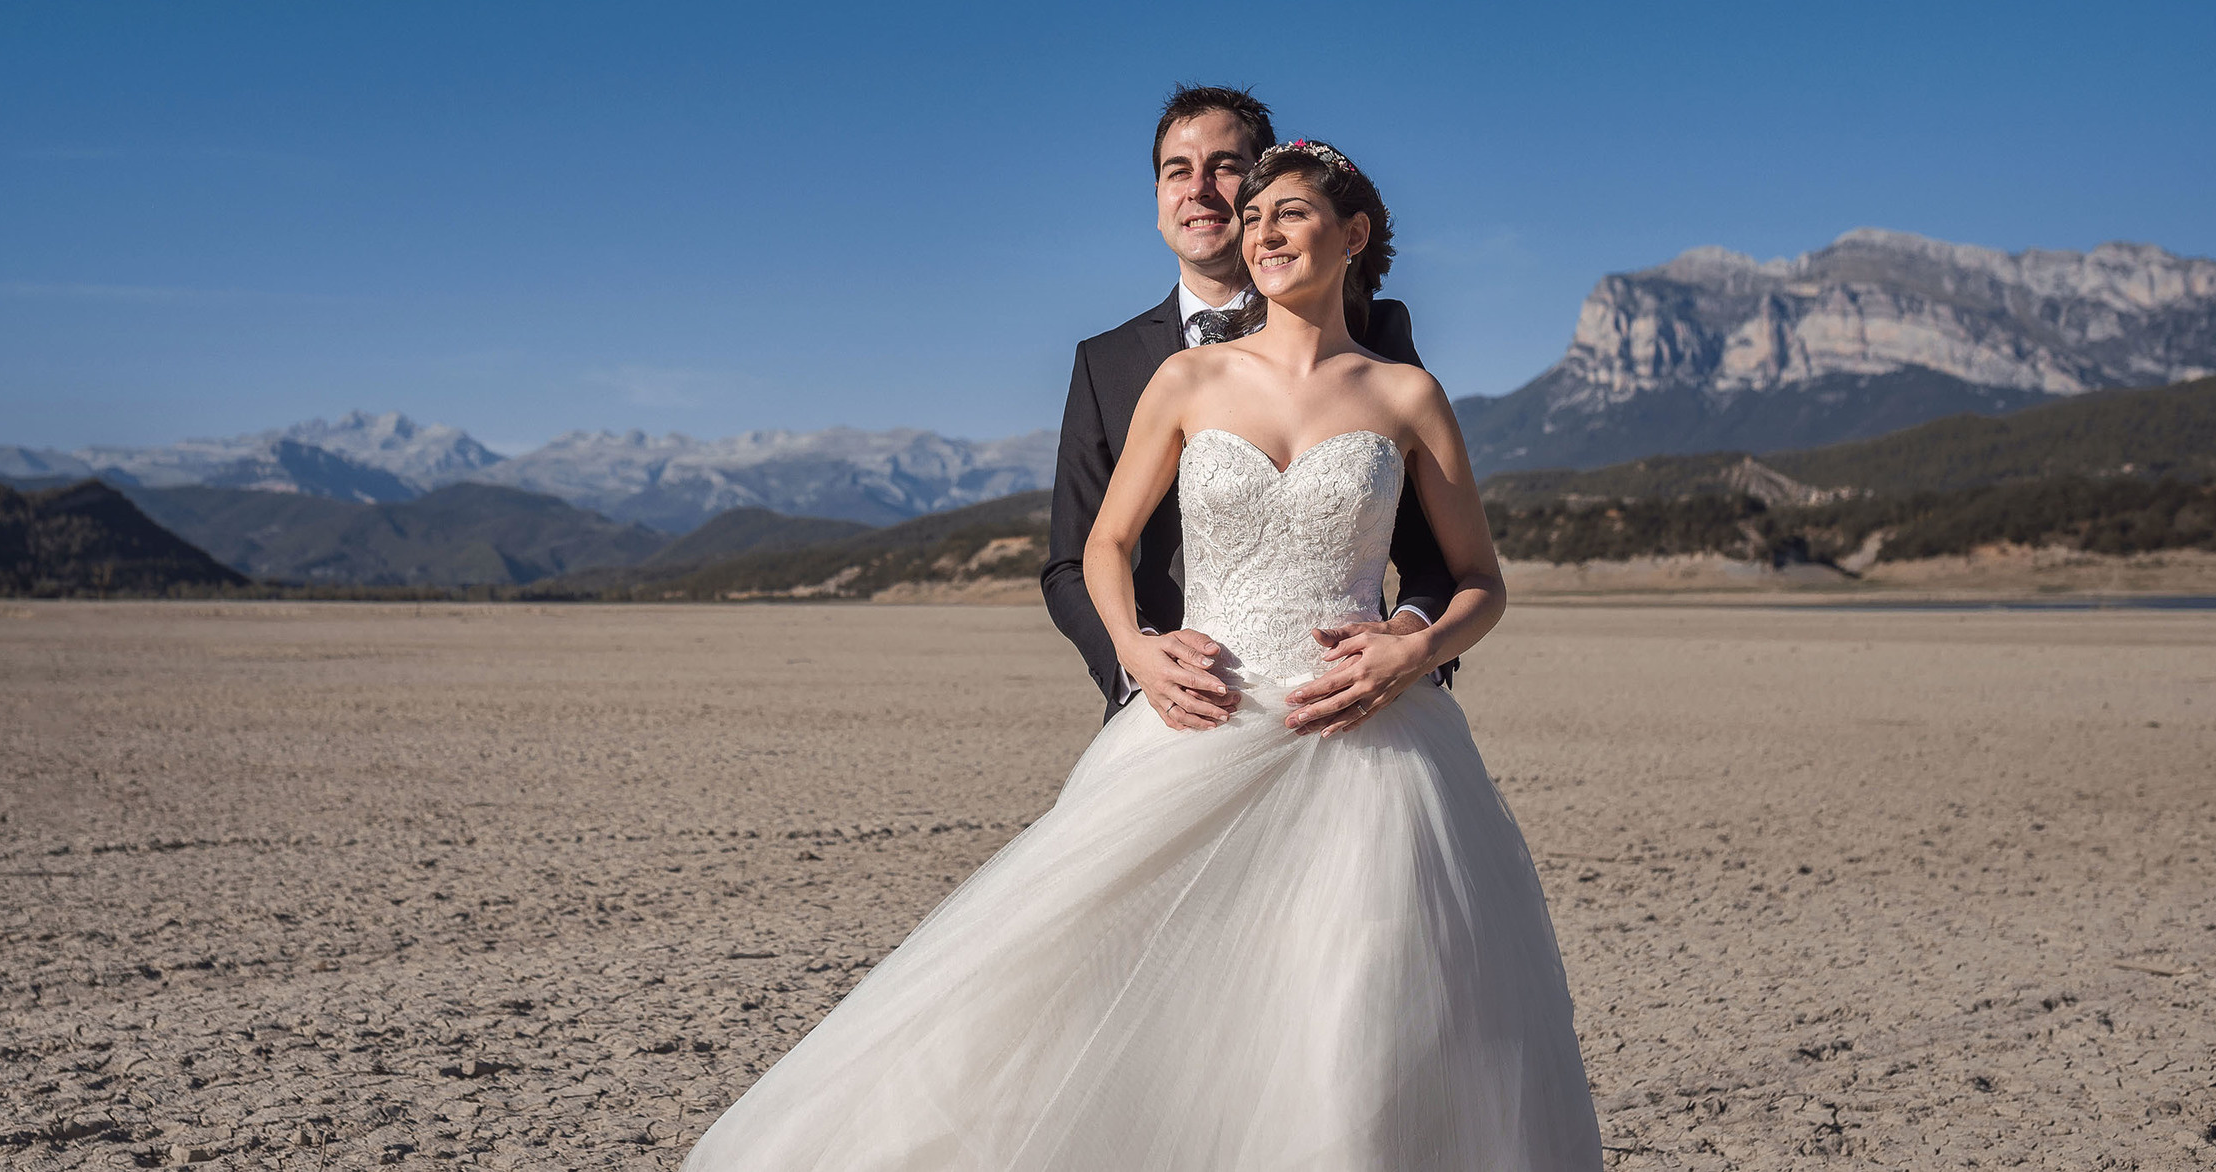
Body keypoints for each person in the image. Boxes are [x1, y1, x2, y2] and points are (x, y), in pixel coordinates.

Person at [681, 139, 1601, 1171]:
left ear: (1353, 236)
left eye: (1288, 213)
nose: (1261, 233)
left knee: (1354, 1010)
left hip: (1371, 744)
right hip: (1198, 719)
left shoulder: (1405, 396)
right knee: (1065, 973)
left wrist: (1414, 647)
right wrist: (1137, 648)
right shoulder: (1186, 376)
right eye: (1253, 220)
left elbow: (1482, 580)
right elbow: (1105, 545)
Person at [1042, 84, 1459, 727]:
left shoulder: (1377, 339)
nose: (1200, 189)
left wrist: (1407, 645)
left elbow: (1438, 557)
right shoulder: (1105, 362)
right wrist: (1140, 668)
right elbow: (1076, 557)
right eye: (1177, 171)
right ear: (1157, 201)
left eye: (1226, 168)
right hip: (1175, 717)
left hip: (1354, 713)